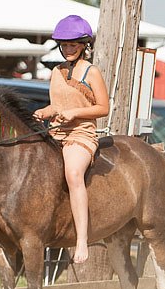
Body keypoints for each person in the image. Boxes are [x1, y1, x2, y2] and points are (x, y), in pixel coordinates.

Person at [33, 15, 110, 264]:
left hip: (82, 133)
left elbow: (103, 108)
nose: (67, 49)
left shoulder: (92, 71)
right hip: (56, 131)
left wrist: (75, 113)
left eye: (72, 45)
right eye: (64, 45)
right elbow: (56, 105)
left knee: (74, 173)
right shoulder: (56, 72)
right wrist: (45, 112)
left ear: (84, 45)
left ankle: (81, 240)